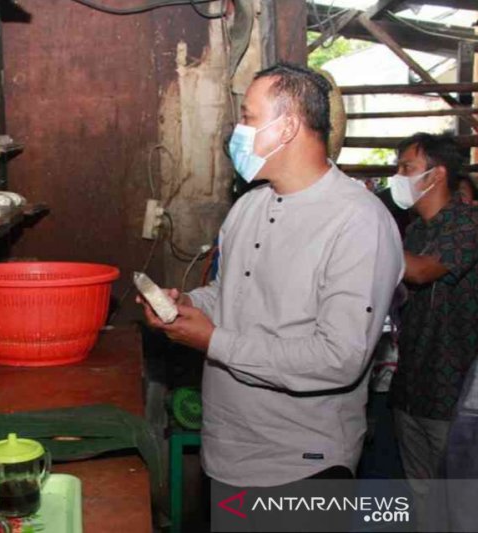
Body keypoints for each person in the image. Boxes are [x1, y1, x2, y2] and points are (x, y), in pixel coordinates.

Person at [138, 63, 404, 531]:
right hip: (227, 451)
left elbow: (339, 357)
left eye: (247, 117)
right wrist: (190, 307)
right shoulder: (250, 205)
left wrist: (212, 341)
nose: (236, 130)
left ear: (287, 127)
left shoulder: (359, 222)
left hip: (302, 465)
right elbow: (232, 294)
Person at [387, 132, 478, 530]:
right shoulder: (412, 232)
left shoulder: (469, 223)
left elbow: (423, 271)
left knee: (462, 507)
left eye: (406, 167)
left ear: (436, 174)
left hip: (454, 398)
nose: (398, 176)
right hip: (412, 390)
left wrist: (368, 234)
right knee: (423, 507)